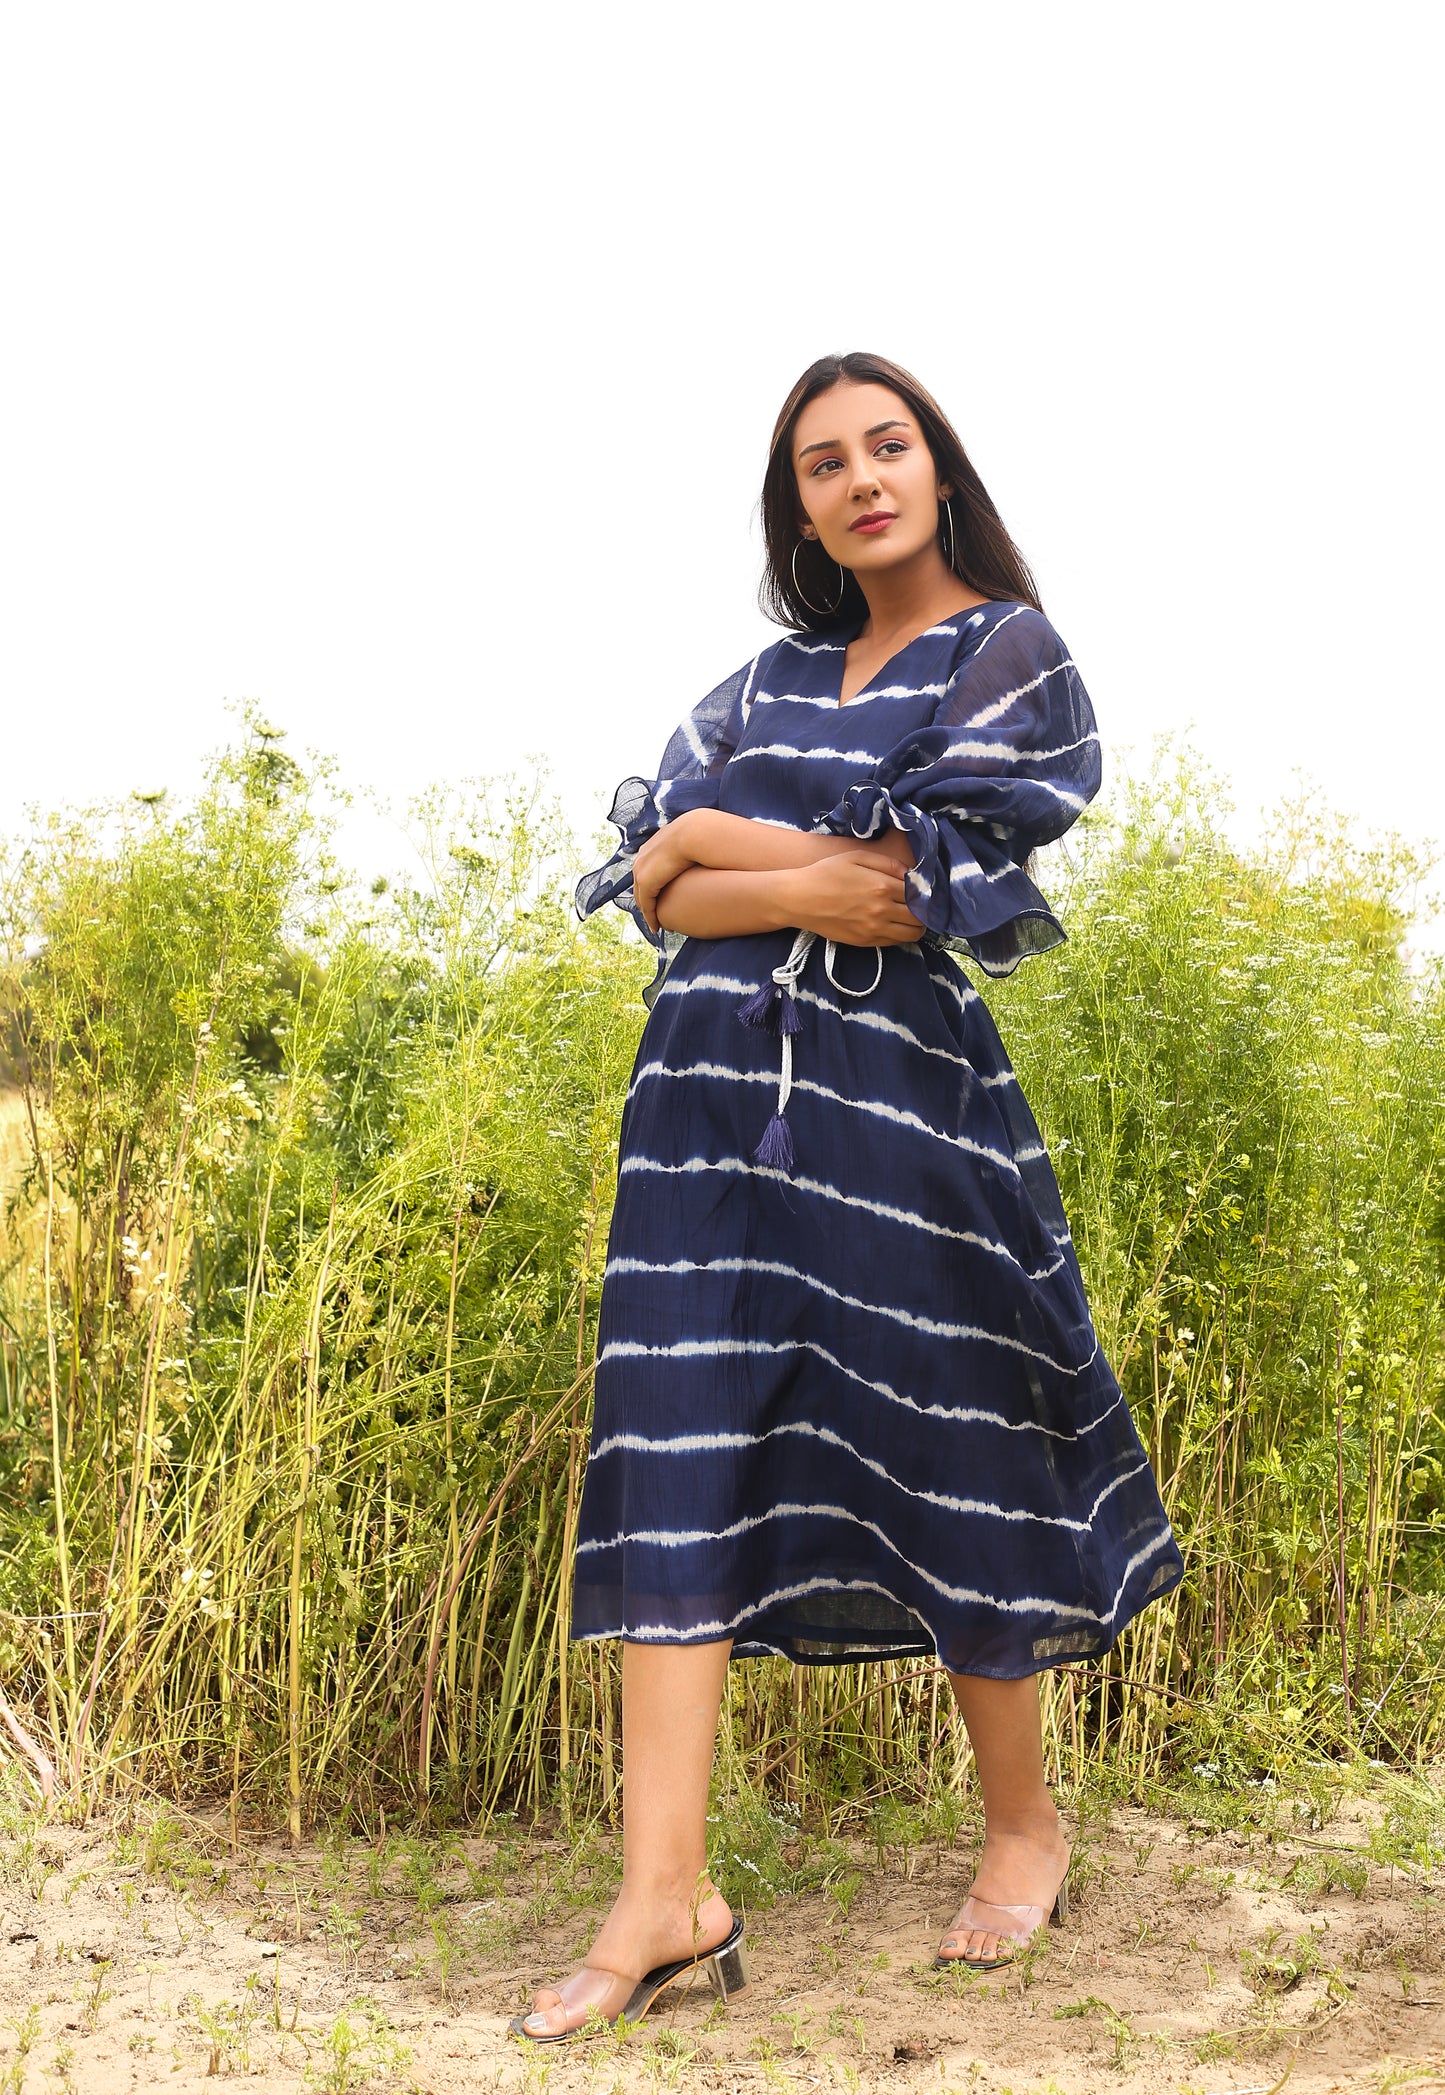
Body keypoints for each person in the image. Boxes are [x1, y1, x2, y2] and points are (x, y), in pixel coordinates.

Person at [510, 352, 1184, 2045]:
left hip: (901, 1115)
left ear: (939, 469)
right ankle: (663, 1898)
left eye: (886, 445)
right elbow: (648, 876)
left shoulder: (1004, 654)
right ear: (794, 504)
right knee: (678, 1449)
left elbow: (908, 893)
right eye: (821, 461)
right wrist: (756, 861)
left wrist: (735, 852)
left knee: (945, 1429)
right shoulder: (764, 676)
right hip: (698, 1119)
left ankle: (1023, 1824)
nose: (858, 477)